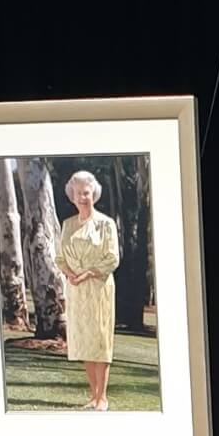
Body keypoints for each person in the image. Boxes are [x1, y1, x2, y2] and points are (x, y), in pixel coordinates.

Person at [56, 169, 120, 412]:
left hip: (99, 287)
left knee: (100, 339)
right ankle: (93, 396)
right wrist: (69, 273)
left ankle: (103, 397)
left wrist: (88, 273)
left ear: (94, 194)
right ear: (72, 196)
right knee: (84, 340)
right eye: (78, 193)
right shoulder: (68, 224)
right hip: (76, 290)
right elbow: (61, 256)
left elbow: (112, 258)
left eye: (87, 192)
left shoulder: (106, 224)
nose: (83, 197)